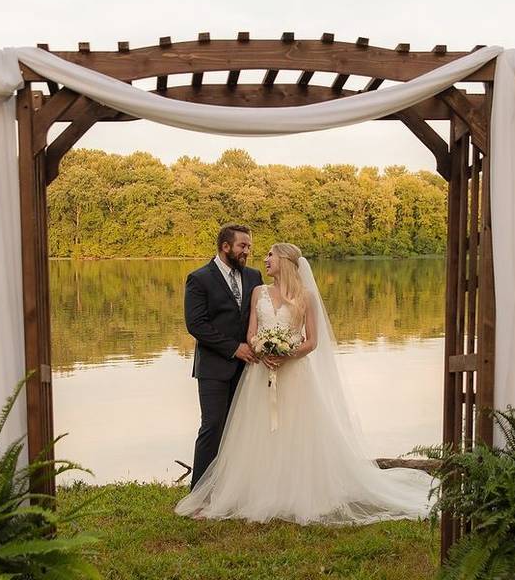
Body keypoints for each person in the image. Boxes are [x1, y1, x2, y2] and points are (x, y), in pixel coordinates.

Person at [176, 242, 431, 524]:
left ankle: (296, 489)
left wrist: (286, 354)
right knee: (257, 432)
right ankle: (256, 489)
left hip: (295, 373)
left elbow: (312, 341)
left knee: (295, 431)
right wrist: (262, 350)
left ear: (285, 260)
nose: (264, 258)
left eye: (270, 255)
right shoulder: (258, 292)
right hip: (260, 375)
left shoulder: (305, 296)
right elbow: (251, 333)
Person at [183, 223, 263, 489]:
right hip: (214, 368)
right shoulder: (199, 278)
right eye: (242, 246)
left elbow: (261, 316)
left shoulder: (254, 277)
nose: (247, 251)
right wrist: (233, 347)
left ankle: (234, 489)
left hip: (249, 368)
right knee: (212, 427)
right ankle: (199, 492)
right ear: (225, 246)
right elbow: (196, 324)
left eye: (249, 246)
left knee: (242, 428)